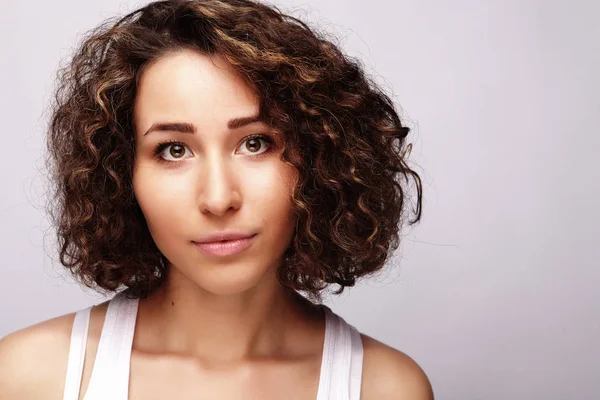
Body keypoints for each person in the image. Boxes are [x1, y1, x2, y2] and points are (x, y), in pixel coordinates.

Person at [0, 0, 431, 398]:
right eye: (173, 149)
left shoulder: (386, 388)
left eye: (256, 143)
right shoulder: (30, 376)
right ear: (120, 173)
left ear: (321, 158)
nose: (219, 198)